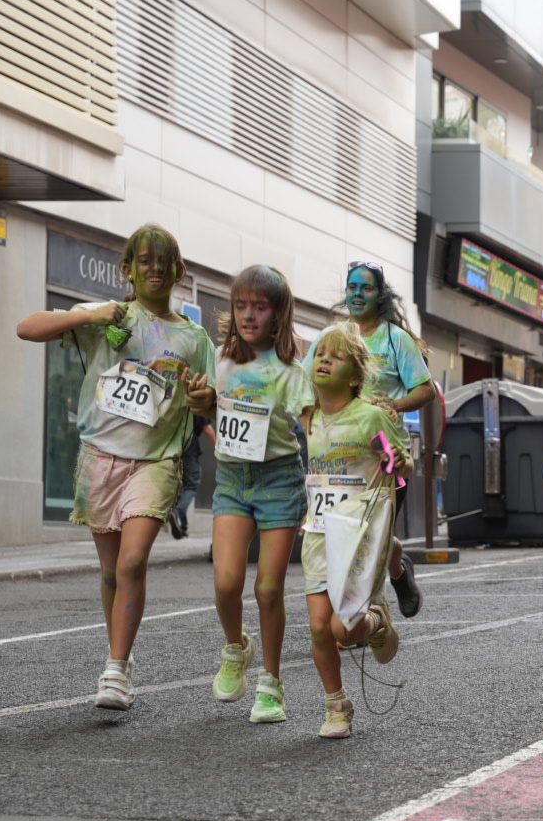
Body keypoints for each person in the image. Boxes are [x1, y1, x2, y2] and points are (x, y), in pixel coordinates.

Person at [15, 223, 215, 711]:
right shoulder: (109, 316)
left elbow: (209, 400)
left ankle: (117, 668)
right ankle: (117, 654)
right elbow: (27, 328)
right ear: (128, 269)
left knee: (132, 561)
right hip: (100, 457)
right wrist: (92, 314)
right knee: (110, 571)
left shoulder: (193, 337)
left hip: (157, 461)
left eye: (163, 262)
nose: (154, 269)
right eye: (144, 261)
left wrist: (202, 398)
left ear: (179, 271)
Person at [206, 265, 316, 723]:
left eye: (260, 307)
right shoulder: (219, 360)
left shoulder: (290, 372)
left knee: (269, 588)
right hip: (233, 480)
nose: (248, 315)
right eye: (241, 306)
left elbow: (313, 426)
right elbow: (203, 408)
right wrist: (213, 430)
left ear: (279, 314)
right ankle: (236, 647)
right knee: (226, 582)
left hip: (279, 481)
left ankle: (271, 684)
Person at [301, 324, 411, 738]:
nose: (324, 360)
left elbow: (400, 468)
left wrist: (398, 461)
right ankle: (337, 705)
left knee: (342, 629)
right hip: (319, 533)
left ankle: (378, 621)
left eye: (337, 357)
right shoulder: (309, 418)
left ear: (355, 376)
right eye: (320, 354)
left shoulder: (370, 418)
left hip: (360, 536)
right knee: (318, 627)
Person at [339, 261, 430, 620]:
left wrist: (393, 405)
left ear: (380, 295)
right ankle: (398, 566)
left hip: (388, 453)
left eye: (366, 288)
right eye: (352, 287)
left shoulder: (395, 339)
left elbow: (425, 389)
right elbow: (310, 380)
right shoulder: (336, 337)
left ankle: (366, 615)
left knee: (373, 531)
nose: (358, 294)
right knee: (353, 531)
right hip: (343, 451)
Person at [168, 415, 208, 539]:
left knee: (181, 485)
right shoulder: (196, 407)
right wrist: (219, 448)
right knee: (191, 485)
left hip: (175, 448)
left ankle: (183, 526)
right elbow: (207, 428)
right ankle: (177, 511)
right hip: (190, 449)